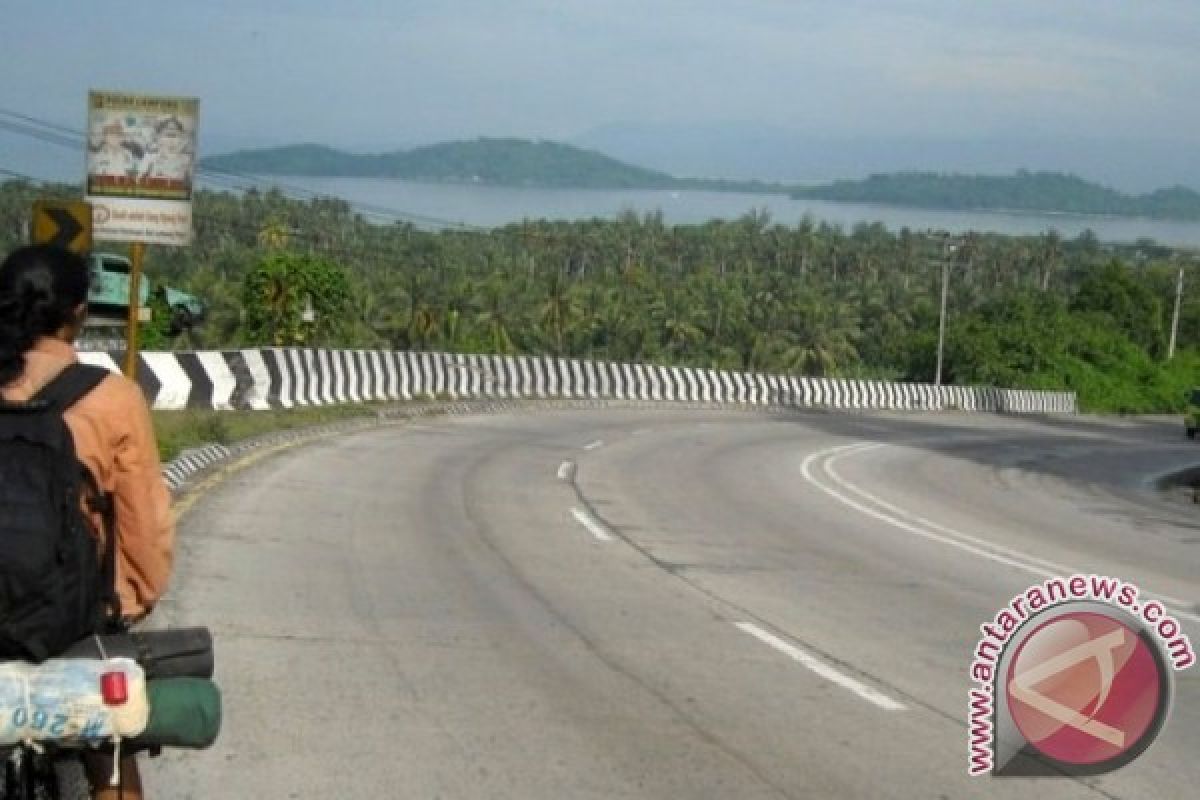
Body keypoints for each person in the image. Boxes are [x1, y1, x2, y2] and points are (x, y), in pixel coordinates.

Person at [0, 244, 175, 800]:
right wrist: (129, 602)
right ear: (79, 313)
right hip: (72, 618)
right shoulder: (113, 398)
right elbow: (142, 522)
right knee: (113, 764)